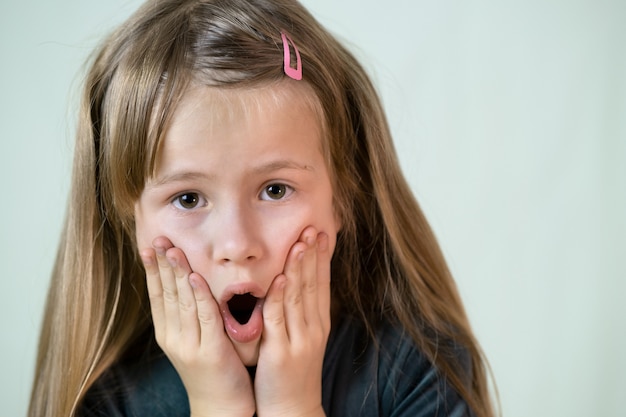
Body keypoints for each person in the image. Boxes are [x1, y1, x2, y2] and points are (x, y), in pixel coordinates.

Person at [28, 0, 496, 416]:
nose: (237, 245)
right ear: (130, 222)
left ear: (344, 200)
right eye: (188, 199)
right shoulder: (105, 399)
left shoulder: (419, 372)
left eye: (275, 190)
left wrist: (293, 407)